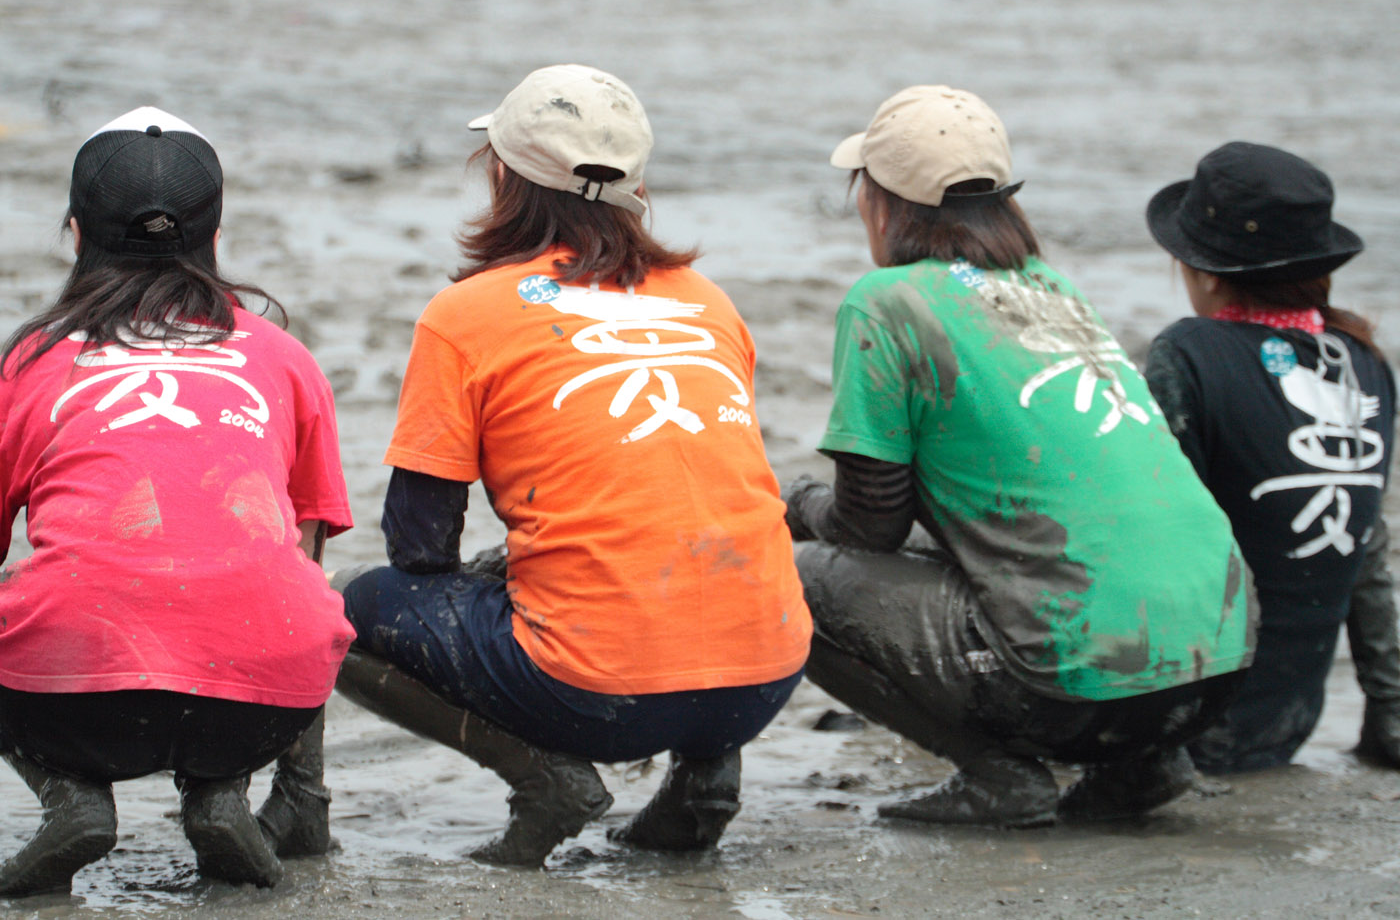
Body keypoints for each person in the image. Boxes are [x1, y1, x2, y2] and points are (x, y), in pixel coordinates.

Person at [334, 64, 811, 867]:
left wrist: (508, 569)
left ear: (500, 175)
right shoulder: (708, 301)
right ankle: (704, 778)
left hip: (600, 693)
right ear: (638, 185)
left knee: (350, 615)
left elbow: (419, 547)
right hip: (766, 675)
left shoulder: (466, 314)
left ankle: (545, 777)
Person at [784, 85, 1256, 827]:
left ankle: (999, 775)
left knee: (795, 579)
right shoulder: (1055, 289)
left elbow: (870, 521)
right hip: (1219, 672)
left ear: (881, 204)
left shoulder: (886, 300)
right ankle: (1147, 765)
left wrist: (799, 504)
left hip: (1077, 691)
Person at [0, 107, 354, 896]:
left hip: (78, 710)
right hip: (260, 707)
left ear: (75, 231)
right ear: (217, 240)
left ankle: (75, 798)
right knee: (291, 589)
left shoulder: (32, 358)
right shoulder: (287, 358)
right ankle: (224, 793)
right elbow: (306, 552)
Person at [1143, 141, 1400, 773]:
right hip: (1281, 728)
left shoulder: (1191, 353)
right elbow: (1367, 552)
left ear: (1204, 271)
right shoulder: (1364, 363)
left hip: (1188, 734)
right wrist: (1390, 715)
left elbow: (1161, 545)